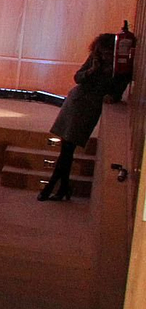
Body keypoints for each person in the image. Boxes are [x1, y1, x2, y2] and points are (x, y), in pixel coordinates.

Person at [41, 33, 130, 200]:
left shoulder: (120, 67)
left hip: (90, 107)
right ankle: (60, 188)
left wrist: (113, 95)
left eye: (107, 52)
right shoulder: (95, 59)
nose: (104, 55)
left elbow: (118, 90)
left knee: (68, 148)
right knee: (66, 148)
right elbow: (78, 77)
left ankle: (55, 187)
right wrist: (92, 70)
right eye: (101, 52)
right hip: (76, 101)